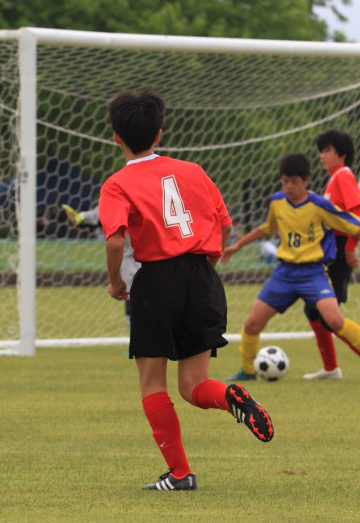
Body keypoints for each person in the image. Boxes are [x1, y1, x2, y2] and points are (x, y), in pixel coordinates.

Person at [97, 91, 274, 492]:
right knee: (194, 384)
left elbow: (113, 241)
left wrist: (115, 282)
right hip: (202, 276)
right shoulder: (193, 170)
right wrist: (204, 269)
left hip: (156, 280)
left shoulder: (117, 183)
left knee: (153, 384)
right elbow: (224, 225)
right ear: (159, 133)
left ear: (115, 138)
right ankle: (231, 395)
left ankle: (180, 474)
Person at [221, 152, 360, 383]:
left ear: (306, 181)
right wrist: (237, 245)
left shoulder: (320, 205)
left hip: (313, 273)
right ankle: (248, 371)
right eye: (285, 181)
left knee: (335, 320)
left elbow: (354, 226)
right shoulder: (277, 202)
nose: (289, 186)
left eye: (294, 182)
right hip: (284, 274)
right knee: (252, 324)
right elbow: (266, 228)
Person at [301, 129, 360, 384]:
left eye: (327, 150)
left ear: (341, 154)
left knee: (328, 315)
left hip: (340, 253)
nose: (322, 155)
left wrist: (350, 247)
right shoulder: (334, 179)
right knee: (313, 310)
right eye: (321, 150)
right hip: (331, 252)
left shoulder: (343, 176)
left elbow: (358, 213)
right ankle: (331, 368)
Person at [63, 203, 140, 331]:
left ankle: (136, 345)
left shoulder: (118, 197)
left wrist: (81, 217)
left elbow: (101, 214)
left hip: (132, 265)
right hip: (162, 262)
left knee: (134, 308)